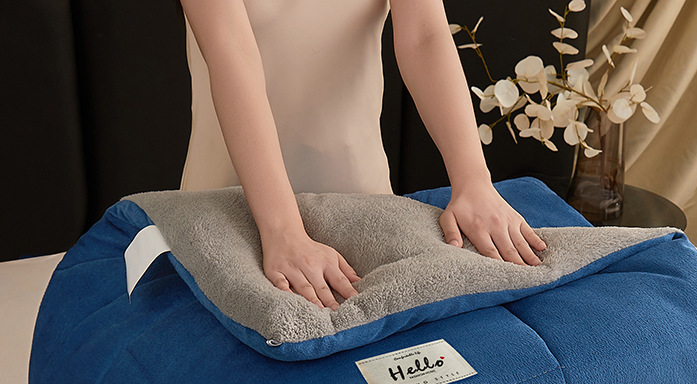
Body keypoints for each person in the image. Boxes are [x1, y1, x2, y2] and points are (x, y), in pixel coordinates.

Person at [178, 0, 547, 310]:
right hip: (229, 204)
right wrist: (283, 230)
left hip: (362, 201)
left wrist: (473, 182)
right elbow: (231, 53)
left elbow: (424, 36)